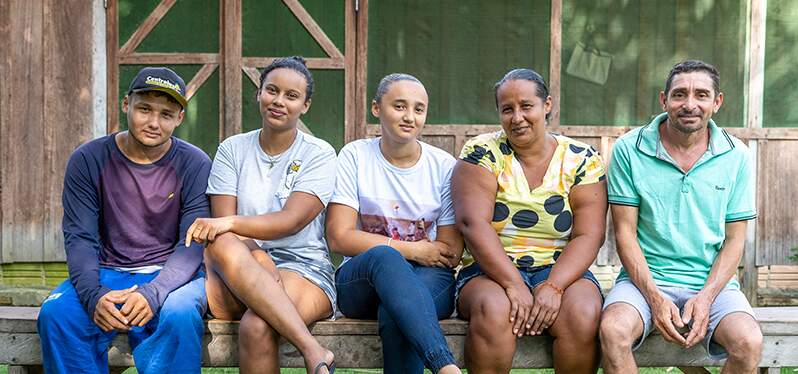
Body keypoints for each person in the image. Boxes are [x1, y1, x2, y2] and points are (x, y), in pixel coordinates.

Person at [37, 67, 211, 373]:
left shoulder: (194, 163)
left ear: (179, 118)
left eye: (166, 114)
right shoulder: (89, 159)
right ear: (126, 104)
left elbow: (192, 244)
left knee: (180, 313)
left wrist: (154, 293)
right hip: (106, 272)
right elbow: (80, 238)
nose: (154, 123)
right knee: (57, 314)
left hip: (171, 276)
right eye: (144, 109)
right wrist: (94, 295)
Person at [599, 60, 762, 373]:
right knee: (613, 331)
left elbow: (735, 239)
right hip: (643, 282)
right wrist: (655, 298)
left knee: (748, 342)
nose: (690, 104)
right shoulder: (629, 150)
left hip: (713, 284)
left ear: (717, 102)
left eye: (701, 95)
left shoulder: (737, 155)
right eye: (679, 95)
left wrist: (705, 298)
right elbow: (624, 234)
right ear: (664, 100)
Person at [184, 56, 336, 374]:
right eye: (272, 90)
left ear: (305, 105)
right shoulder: (232, 149)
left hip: (303, 270)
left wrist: (232, 224)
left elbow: (291, 220)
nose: (278, 101)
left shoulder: (319, 153)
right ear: (259, 94)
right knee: (221, 242)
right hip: (237, 273)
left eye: (291, 96)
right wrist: (258, 256)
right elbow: (223, 229)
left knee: (256, 327)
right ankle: (314, 350)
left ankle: (313, 352)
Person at [452, 68, 607, 373]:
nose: (517, 117)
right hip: (490, 270)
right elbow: (473, 223)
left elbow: (589, 235)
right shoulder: (482, 152)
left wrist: (554, 286)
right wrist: (512, 283)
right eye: (507, 109)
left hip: (560, 268)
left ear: (547, 105)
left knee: (583, 313)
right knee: (496, 310)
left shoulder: (581, 159)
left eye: (526, 106)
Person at [325, 73, 463, 374]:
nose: (410, 117)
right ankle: (444, 365)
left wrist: (415, 256)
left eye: (418, 109)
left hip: (429, 278)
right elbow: (338, 236)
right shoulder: (355, 156)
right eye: (399, 106)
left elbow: (451, 250)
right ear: (376, 108)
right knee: (385, 257)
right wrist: (412, 250)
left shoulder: (443, 167)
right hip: (362, 280)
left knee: (396, 309)